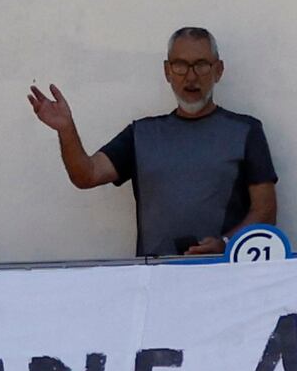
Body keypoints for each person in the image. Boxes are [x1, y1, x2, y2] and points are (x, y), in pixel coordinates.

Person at [26, 25, 277, 260]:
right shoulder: (141, 134)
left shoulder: (246, 131)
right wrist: (66, 129)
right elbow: (87, 175)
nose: (191, 76)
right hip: (155, 279)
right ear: (167, 71)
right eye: (180, 65)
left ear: (218, 70)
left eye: (201, 65)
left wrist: (225, 244)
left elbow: (265, 212)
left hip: (224, 274)